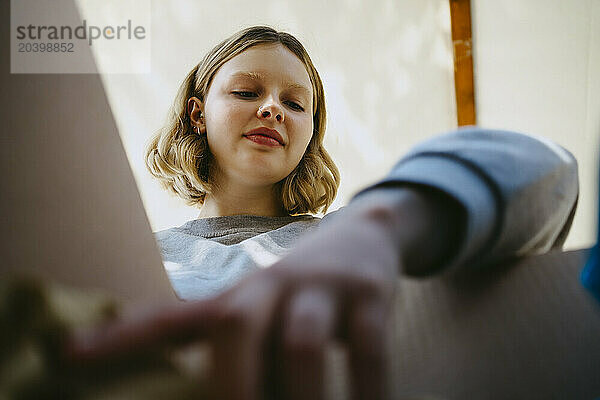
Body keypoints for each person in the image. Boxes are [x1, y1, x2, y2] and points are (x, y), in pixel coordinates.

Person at [68, 26, 579, 400]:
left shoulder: (348, 237)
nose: (272, 108)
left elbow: (551, 172)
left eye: (295, 104)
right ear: (197, 114)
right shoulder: (137, 247)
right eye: (247, 92)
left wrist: (381, 226)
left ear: (310, 135)